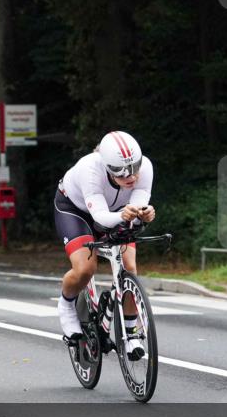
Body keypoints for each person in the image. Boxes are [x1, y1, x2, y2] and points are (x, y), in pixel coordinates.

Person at [53, 131, 156, 360]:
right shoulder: (89, 169)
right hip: (76, 211)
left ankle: (131, 330)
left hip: (116, 213)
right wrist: (124, 215)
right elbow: (99, 217)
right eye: (121, 171)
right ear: (107, 167)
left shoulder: (146, 168)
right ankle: (66, 305)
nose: (131, 176)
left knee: (129, 267)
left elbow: (136, 211)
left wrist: (143, 215)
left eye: (135, 168)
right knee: (85, 269)